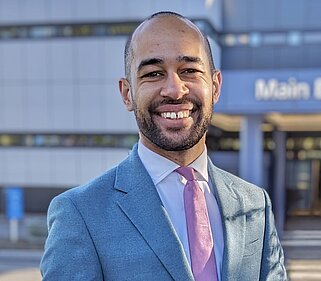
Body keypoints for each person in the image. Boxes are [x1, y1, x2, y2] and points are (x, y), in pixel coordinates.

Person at [40, 11, 287, 281]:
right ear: (127, 94)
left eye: (189, 71)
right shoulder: (80, 213)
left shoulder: (255, 204)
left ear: (215, 86)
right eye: (154, 73)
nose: (174, 89)